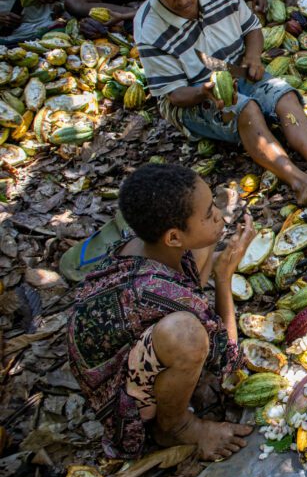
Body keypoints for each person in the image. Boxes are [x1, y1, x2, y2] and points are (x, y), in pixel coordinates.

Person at [124, 0, 307, 207]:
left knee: (283, 94)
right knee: (245, 108)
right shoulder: (149, 26)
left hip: (237, 70)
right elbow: (174, 95)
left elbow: (252, 29)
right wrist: (205, 91)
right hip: (192, 97)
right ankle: (299, 182)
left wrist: (253, 57)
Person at [66, 164, 255, 461]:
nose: (220, 215)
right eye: (209, 214)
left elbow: (196, 250)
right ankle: (177, 426)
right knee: (186, 333)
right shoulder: (155, 290)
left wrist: (213, 245)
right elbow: (228, 362)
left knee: (205, 243)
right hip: (119, 394)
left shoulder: (144, 245)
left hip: (129, 337)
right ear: (174, 238)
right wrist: (224, 277)